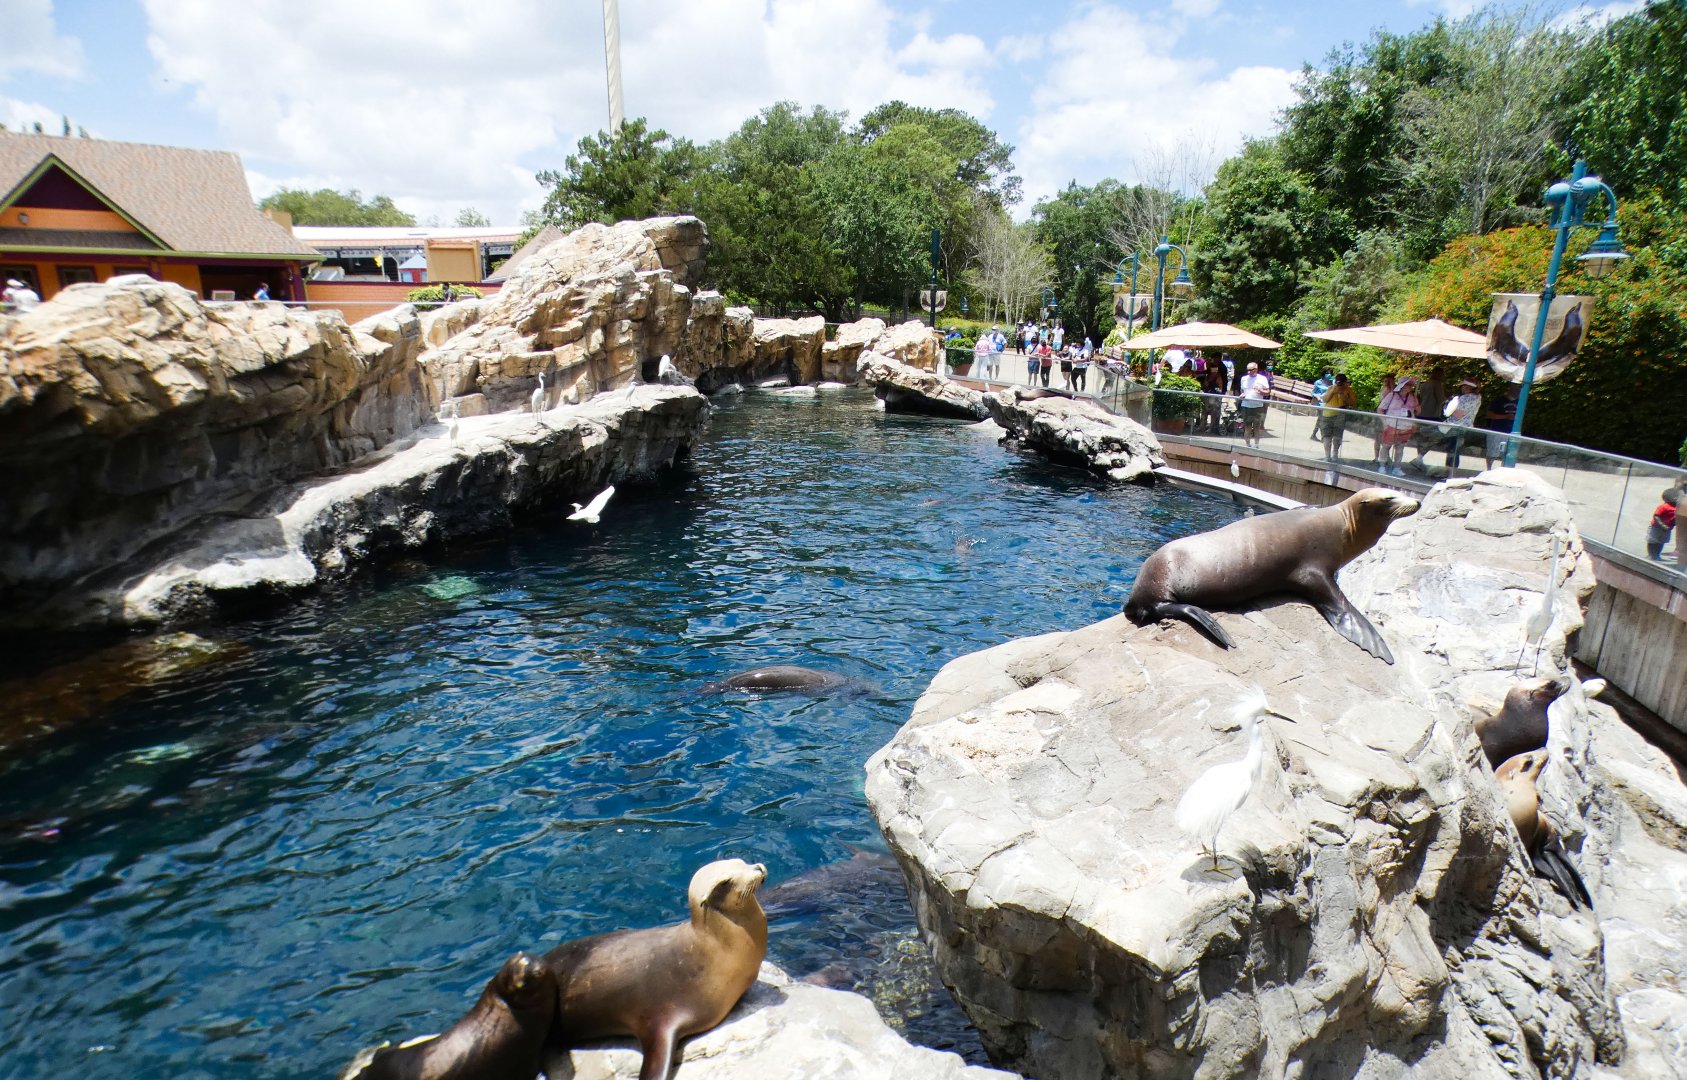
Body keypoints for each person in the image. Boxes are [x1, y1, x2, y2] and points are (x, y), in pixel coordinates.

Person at [1376, 374, 1419, 475]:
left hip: (1406, 426)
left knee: (1400, 448)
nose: (1408, 387)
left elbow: (1417, 411)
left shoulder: (1412, 397)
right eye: (1406, 385)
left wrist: (1414, 421)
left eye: (1410, 385)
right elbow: (1380, 409)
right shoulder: (1391, 395)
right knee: (1386, 446)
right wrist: (1385, 423)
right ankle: (1382, 465)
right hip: (1391, 425)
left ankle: (1397, 467)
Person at [1441, 377, 1483, 471]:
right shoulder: (1478, 398)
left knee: (1452, 448)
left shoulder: (1464, 398)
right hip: (1466, 426)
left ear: (1468, 387)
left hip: (1455, 426)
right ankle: (1451, 471)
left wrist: (1448, 409)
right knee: (1456, 449)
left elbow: (1457, 413)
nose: (1462, 388)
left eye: (1463, 386)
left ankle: (1449, 471)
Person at [1411, 367, 1448, 469]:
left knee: (1421, 438)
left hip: (1421, 413)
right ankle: (1420, 458)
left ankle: (1419, 459)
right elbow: (1441, 399)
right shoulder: (1437, 384)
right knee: (1434, 437)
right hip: (1432, 414)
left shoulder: (1424, 384)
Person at [1319, 373, 1358, 462]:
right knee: (1326, 436)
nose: (1339, 385)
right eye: (1338, 382)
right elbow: (1324, 399)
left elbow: (1353, 403)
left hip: (1340, 415)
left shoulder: (1348, 390)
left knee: (1337, 436)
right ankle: (1327, 456)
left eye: (1341, 383)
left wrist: (1344, 396)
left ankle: (1335, 454)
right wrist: (1333, 391)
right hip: (1327, 414)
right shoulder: (1331, 388)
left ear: (1345, 383)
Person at [1483, 386, 1520, 468]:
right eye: (1516, 390)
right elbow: (1489, 415)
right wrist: (1506, 416)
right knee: (1492, 452)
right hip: (1496, 430)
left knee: (1507, 454)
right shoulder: (1499, 400)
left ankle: (1503, 469)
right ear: (1510, 390)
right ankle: (1489, 468)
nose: (1517, 393)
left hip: (1511, 432)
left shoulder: (1519, 402)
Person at [1238, 361, 1271, 448]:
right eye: (1247, 370)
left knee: (1257, 427)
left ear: (1256, 369)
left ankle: (1257, 445)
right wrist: (1242, 395)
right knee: (1247, 426)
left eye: (1250, 370)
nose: (1248, 372)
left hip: (1258, 406)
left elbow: (1268, 392)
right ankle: (1247, 444)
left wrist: (1261, 390)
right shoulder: (1244, 378)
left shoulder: (1262, 378)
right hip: (1246, 405)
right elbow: (1242, 390)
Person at [1647, 486, 1679, 561]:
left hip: (1667, 529)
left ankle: (1656, 555)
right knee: (1652, 541)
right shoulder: (1664, 507)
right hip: (1656, 527)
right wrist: (1662, 525)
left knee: (1661, 542)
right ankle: (1651, 555)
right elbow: (1656, 516)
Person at [1310, 370, 1335, 442]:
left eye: (1330, 373)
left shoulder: (1332, 382)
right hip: (1320, 404)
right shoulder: (1319, 382)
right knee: (1323, 420)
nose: (1329, 374)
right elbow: (1313, 392)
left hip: (1328, 404)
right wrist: (1317, 396)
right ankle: (1323, 437)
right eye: (1327, 373)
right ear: (1324, 374)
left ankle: (1313, 435)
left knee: (1320, 420)